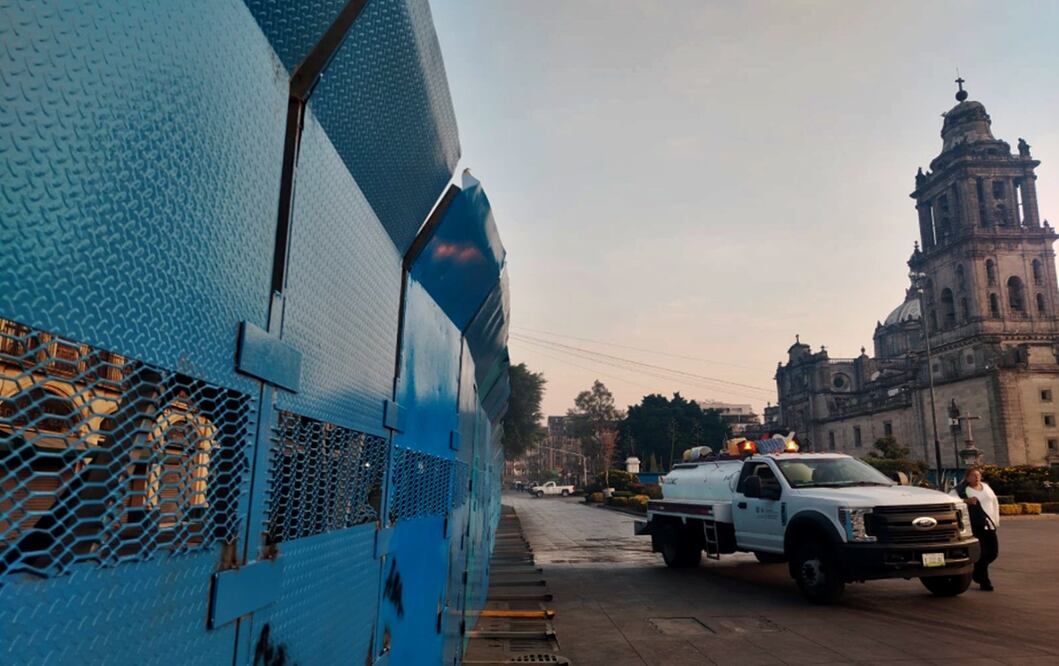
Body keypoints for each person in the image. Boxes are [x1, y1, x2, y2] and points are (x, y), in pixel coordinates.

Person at [956, 467, 1000, 591]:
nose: (977, 478)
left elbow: (994, 502)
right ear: (967, 477)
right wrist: (965, 501)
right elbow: (952, 501)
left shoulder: (986, 487)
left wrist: (996, 520)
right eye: (974, 475)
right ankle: (984, 581)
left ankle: (977, 571)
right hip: (975, 525)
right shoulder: (962, 490)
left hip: (990, 524)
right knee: (983, 553)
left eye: (978, 475)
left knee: (993, 553)